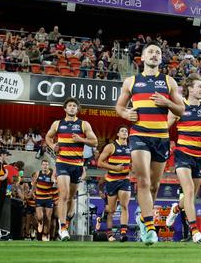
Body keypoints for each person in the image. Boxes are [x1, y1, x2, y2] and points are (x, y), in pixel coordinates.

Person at [115, 41, 184, 246]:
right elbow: (119, 106)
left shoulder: (169, 81)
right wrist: (126, 113)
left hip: (161, 138)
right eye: (150, 51)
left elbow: (181, 110)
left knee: (153, 186)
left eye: (158, 52)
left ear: (161, 58)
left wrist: (168, 103)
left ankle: (144, 220)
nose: (154, 54)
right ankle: (151, 228)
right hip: (139, 135)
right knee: (143, 182)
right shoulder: (131, 81)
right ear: (142, 58)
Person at [165, 74, 201, 243]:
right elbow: (164, 127)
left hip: (199, 156)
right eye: (199, 86)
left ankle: (176, 208)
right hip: (182, 155)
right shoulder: (179, 107)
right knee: (188, 191)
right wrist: (166, 143)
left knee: (190, 197)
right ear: (189, 89)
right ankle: (195, 231)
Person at [44, 97, 98, 241]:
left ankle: (66, 221)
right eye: (70, 105)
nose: (72, 107)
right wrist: (52, 146)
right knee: (64, 195)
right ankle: (62, 228)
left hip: (77, 165)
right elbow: (48, 137)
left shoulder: (84, 124)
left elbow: (94, 141)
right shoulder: (57, 124)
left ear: (77, 109)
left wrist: (81, 140)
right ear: (65, 109)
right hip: (62, 163)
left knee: (71, 197)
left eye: (74, 106)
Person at [97, 125, 132, 242]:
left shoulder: (131, 147)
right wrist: (114, 168)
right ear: (117, 134)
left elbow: (134, 163)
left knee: (124, 206)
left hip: (125, 180)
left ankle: (123, 233)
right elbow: (100, 163)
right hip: (111, 181)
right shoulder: (111, 147)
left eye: (126, 131)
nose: (124, 132)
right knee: (111, 210)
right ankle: (109, 233)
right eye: (122, 131)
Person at [32, 159, 55, 241]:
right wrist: (33, 193)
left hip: (48, 198)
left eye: (47, 164)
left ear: (48, 166)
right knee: (40, 217)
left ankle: (45, 235)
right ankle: (40, 223)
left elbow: (54, 181)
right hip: (39, 198)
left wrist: (54, 181)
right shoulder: (38, 173)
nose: (45, 166)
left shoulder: (51, 174)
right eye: (44, 164)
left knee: (48, 218)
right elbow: (34, 184)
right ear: (41, 165)